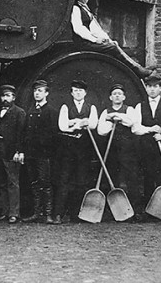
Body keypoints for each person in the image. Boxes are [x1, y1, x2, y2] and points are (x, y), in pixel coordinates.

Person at [70, 0, 154, 78]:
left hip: (88, 42)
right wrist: (95, 40)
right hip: (82, 43)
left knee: (114, 45)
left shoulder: (86, 10)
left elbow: (96, 30)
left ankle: (137, 68)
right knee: (113, 48)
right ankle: (137, 70)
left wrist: (109, 40)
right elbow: (78, 28)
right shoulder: (76, 9)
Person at [53, 79, 99, 224]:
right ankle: (58, 214)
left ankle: (77, 214)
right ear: (71, 93)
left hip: (84, 148)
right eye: (75, 91)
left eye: (80, 91)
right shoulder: (65, 107)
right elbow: (62, 126)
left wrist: (72, 122)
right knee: (64, 179)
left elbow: (93, 124)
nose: (78, 93)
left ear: (85, 93)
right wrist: (80, 123)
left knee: (81, 180)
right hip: (68, 147)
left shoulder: (91, 107)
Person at [97, 84, 141, 219]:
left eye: (119, 94)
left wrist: (117, 116)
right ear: (110, 97)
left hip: (127, 147)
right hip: (111, 147)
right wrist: (111, 122)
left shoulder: (129, 109)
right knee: (111, 175)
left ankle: (135, 209)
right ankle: (112, 210)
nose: (117, 96)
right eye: (114, 94)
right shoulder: (105, 111)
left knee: (131, 176)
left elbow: (132, 122)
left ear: (124, 97)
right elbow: (101, 130)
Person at [131, 73, 161, 217]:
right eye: (149, 87)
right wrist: (150, 129)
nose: (152, 89)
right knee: (147, 176)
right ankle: (148, 209)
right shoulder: (139, 106)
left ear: (160, 88)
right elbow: (136, 128)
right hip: (146, 145)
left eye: (155, 86)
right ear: (146, 88)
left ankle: (160, 209)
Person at [21, 79, 59, 224]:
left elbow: (54, 135)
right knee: (34, 183)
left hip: (44, 154)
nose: (37, 93)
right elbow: (26, 133)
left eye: (40, 91)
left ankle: (48, 214)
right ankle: (36, 213)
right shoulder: (30, 111)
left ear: (46, 93)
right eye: (35, 91)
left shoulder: (51, 111)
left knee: (46, 183)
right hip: (31, 153)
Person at [0, 84, 26, 224]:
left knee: (13, 182)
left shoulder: (19, 112)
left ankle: (14, 213)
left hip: (11, 151)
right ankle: (5, 211)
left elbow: (21, 134)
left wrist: (19, 151)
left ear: (13, 97)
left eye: (8, 96)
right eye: (3, 96)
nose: (5, 99)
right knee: (2, 182)